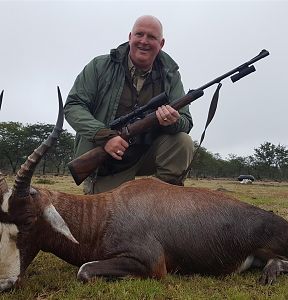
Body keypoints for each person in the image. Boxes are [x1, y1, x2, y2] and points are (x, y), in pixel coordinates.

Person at [64, 15, 194, 194]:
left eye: (151, 37)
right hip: (109, 159)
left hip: (146, 154)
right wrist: (105, 136)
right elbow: (73, 105)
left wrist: (173, 120)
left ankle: (163, 199)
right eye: (139, 34)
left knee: (183, 142)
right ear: (130, 36)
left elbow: (186, 121)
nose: (144, 41)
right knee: (106, 218)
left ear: (161, 43)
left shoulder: (170, 75)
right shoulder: (100, 66)